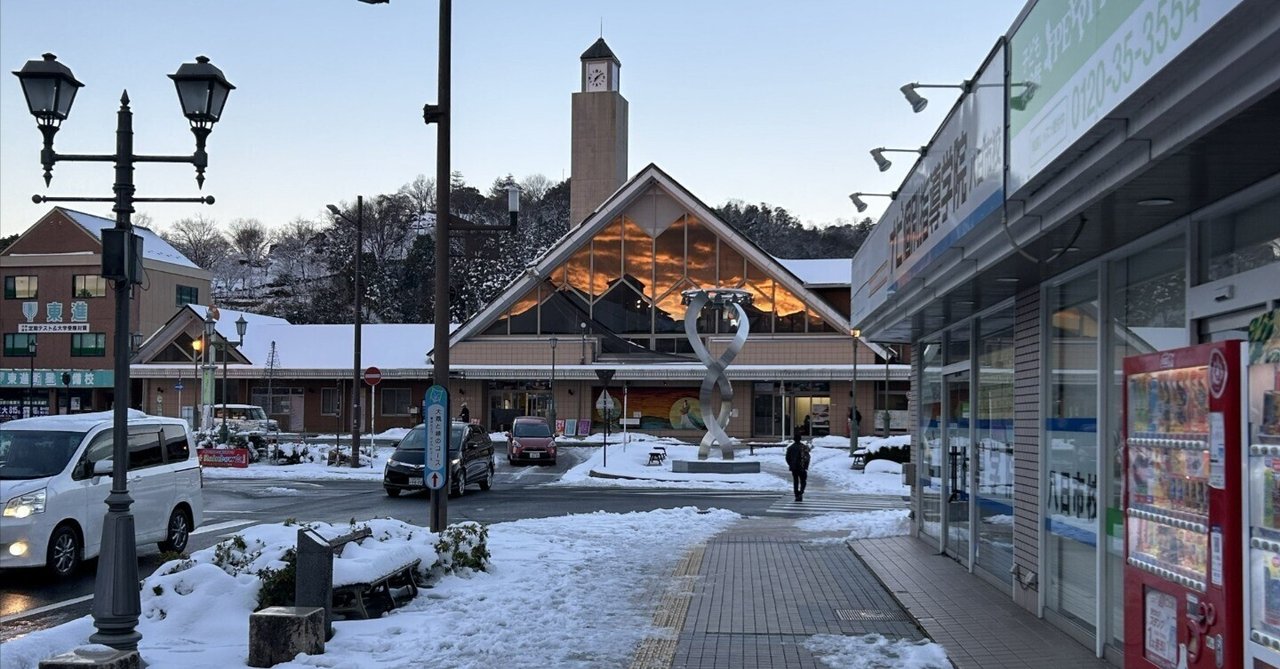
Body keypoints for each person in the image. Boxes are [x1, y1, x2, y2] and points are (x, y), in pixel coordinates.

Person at [785, 429, 811, 502]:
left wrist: (790, 464)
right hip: (802, 467)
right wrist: (806, 466)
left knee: (795, 481)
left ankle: (796, 494)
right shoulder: (803, 447)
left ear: (794, 439)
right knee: (803, 481)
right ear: (800, 439)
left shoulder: (790, 448)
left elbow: (787, 458)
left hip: (794, 467)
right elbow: (807, 457)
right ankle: (801, 492)